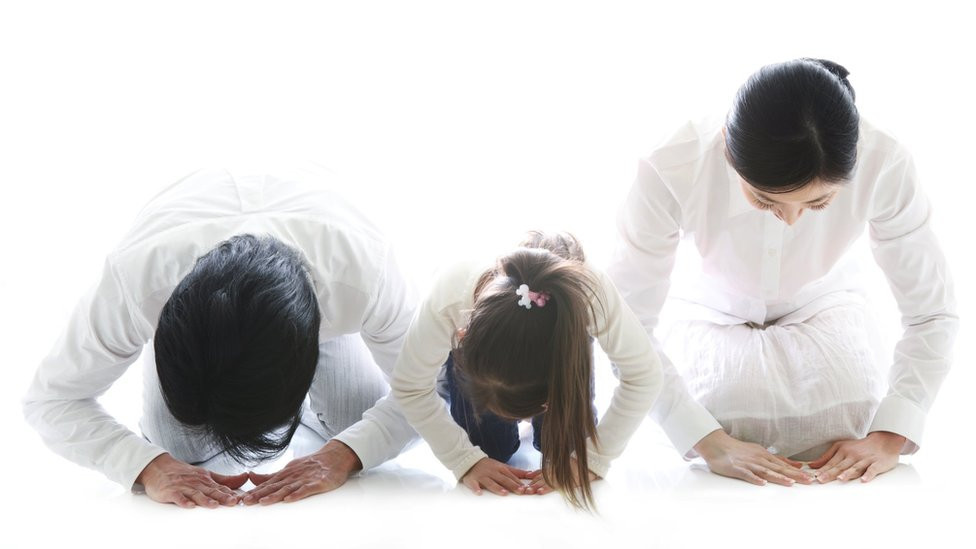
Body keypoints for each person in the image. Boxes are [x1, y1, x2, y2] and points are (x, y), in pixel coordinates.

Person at [609, 58, 958, 486]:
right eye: (764, 200)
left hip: (821, 299)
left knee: (850, 412)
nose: (790, 221)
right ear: (726, 148)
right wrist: (707, 440)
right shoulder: (670, 166)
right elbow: (625, 321)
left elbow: (932, 311)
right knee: (727, 414)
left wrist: (892, 434)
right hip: (712, 306)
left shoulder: (884, 161)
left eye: (817, 205)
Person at [23, 168, 417, 507]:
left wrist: (345, 453)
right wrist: (144, 464)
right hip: (184, 280)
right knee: (181, 446)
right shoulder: (136, 283)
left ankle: (322, 413)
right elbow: (51, 399)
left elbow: (437, 388)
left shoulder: (366, 272)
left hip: (325, 275)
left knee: (354, 420)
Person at [392, 231, 661, 509]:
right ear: (462, 338)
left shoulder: (592, 293)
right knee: (489, 448)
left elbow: (645, 376)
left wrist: (590, 460)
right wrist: (464, 459)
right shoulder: (449, 295)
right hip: (488, 343)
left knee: (565, 448)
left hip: (560, 340)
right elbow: (409, 386)